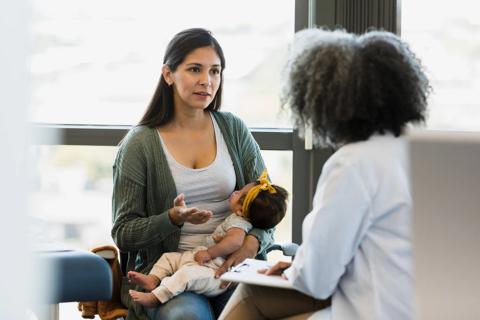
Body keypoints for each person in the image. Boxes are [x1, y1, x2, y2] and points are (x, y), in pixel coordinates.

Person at [218, 28, 430, 320]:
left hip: (370, 310)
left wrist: (301, 268)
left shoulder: (352, 164)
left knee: (249, 295)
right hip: (413, 305)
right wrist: (299, 267)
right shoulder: (411, 152)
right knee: (254, 295)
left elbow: (317, 280)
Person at [111, 28, 276, 320]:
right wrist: (171, 219)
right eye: (195, 69)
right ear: (168, 74)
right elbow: (123, 233)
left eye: (215, 71)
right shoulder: (140, 144)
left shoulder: (233, 129)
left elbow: (269, 205)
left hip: (233, 270)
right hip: (172, 276)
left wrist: (252, 243)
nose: (206, 81)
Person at [127, 170, 288, 308]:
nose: (235, 191)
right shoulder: (240, 217)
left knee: (185, 276)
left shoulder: (239, 223)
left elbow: (235, 242)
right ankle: (153, 279)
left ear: (241, 210)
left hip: (214, 273)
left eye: (239, 194)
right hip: (199, 259)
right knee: (168, 258)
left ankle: (156, 297)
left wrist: (211, 253)